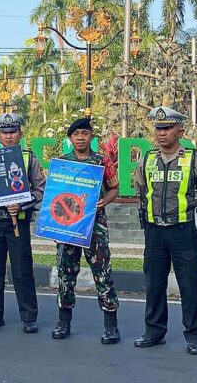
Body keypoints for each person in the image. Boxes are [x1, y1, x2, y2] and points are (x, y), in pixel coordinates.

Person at [133, 107, 197, 355]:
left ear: (180, 130)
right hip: (155, 232)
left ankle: (194, 335)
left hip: (184, 232)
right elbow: (140, 191)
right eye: (158, 129)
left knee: (189, 284)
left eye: (167, 128)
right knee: (154, 284)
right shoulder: (147, 159)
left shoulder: (195, 160)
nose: (161, 133)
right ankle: (154, 331)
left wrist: (194, 220)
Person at [0, 113, 46, 334]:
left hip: (18, 225)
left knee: (22, 272)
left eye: (13, 132)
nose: (9, 137)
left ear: (20, 134)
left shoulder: (28, 158)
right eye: (4, 133)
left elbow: (40, 189)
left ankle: (29, 317)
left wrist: (22, 205)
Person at [51, 118, 120, 344]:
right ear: (70, 138)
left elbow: (115, 188)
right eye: (76, 134)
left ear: (91, 136)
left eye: (84, 133)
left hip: (95, 226)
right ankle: (63, 322)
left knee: (103, 274)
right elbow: (53, 195)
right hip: (68, 226)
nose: (80, 137)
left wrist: (104, 202)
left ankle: (111, 326)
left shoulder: (102, 161)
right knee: (65, 274)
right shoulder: (62, 163)